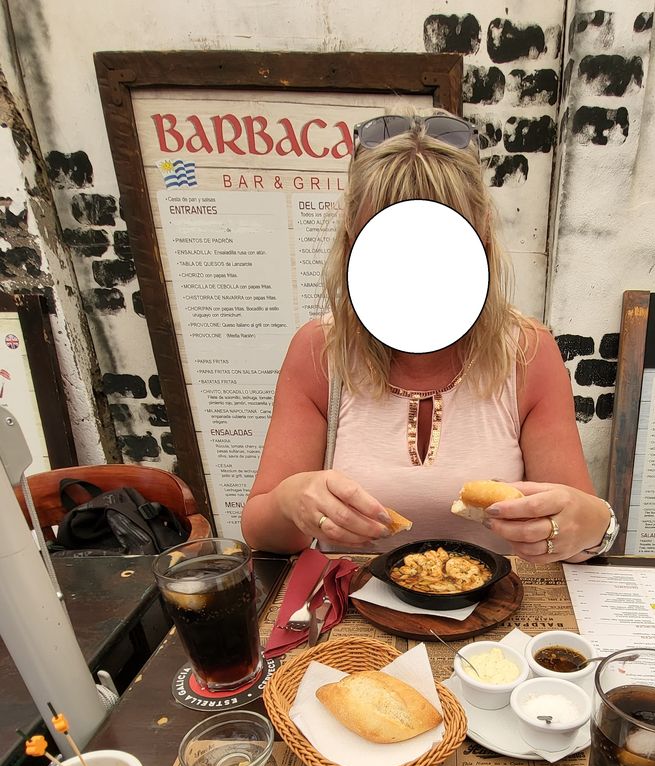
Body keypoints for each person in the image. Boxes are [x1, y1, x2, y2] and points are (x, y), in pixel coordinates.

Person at [241, 110, 616, 563]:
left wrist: (593, 524)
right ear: (351, 241)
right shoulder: (320, 351)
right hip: (351, 603)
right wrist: (291, 501)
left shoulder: (527, 352)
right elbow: (261, 533)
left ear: (482, 236)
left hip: (493, 603)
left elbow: (578, 539)